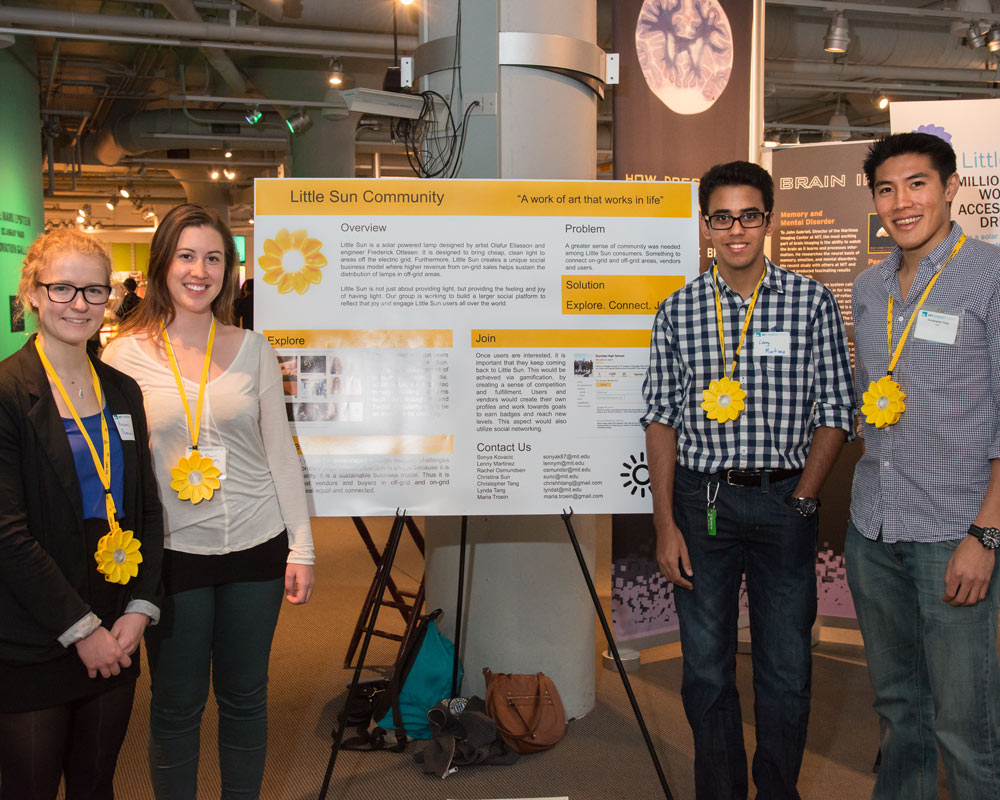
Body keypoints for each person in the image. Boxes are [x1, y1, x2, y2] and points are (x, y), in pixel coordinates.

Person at [641, 161, 855, 799]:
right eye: (723, 217)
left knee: (785, 670)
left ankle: (777, 792)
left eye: (750, 215)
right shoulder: (678, 310)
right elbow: (659, 418)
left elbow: (837, 411)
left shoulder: (810, 301)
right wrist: (663, 525)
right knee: (706, 670)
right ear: (705, 225)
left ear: (770, 220)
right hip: (702, 505)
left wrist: (804, 497)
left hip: (785, 502)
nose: (737, 230)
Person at [103, 204, 315, 799]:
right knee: (175, 704)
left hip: (257, 544)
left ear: (229, 269)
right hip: (173, 552)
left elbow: (281, 455)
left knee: (246, 697)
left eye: (214, 258)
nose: (200, 270)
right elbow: (118, 473)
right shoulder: (124, 355)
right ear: (163, 264)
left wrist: (302, 548)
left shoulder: (253, 348)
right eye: (187, 255)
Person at [847, 132, 1000, 799]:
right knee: (898, 711)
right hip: (873, 528)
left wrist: (987, 534)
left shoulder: (990, 277)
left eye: (917, 184)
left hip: (953, 531)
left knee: (966, 722)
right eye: (886, 188)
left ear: (950, 189)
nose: (901, 202)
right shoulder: (869, 287)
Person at [0, 229, 163, 799]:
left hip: (116, 621)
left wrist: (140, 608)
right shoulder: (6, 391)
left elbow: (145, 507)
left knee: (96, 784)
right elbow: (6, 535)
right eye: (63, 288)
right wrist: (80, 629)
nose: (79, 305)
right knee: (30, 787)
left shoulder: (122, 390)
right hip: (34, 630)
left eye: (94, 291)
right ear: (33, 292)